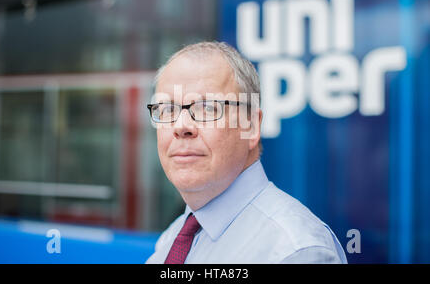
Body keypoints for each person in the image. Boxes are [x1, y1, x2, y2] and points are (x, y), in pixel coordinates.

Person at [145, 41, 347, 264]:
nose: (181, 126)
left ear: (250, 126)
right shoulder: (172, 238)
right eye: (167, 109)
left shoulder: (295, 251)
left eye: (207, 108)